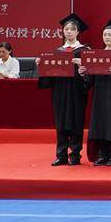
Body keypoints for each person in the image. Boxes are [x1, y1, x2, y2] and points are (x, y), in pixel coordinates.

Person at [37, 13, 90, 166]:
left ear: (77, 32)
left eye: (72, 29)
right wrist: (42, 66)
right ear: (63, 31)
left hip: (76, 91)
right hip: (60, 91)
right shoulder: (58, 51)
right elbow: (50, 76)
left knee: (76, 121)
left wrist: (82, 68)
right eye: (66, 29)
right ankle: (61, 155)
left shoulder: (85, 51)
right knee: (61, 121)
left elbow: (90, 75)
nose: (69, 32)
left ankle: (75, 155)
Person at [84, 20, 111, 166]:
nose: (107, 37)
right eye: (104, 35)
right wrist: (84, 72)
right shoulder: (97, 55)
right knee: (100, 123)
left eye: (110, 35)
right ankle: (102, 154)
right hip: (100, 94)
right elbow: (90, 79)